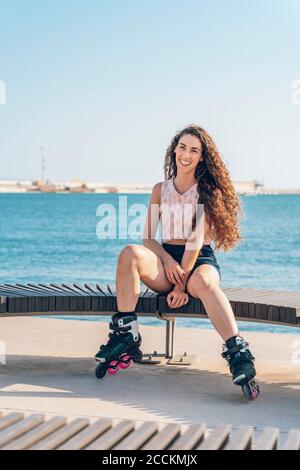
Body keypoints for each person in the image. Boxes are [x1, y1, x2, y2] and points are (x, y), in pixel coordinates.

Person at [94, 124, 259, 400]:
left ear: (201, 157)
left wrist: (180, 287)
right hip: (166, 259)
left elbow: (195, 241)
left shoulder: (208, 192)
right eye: (182, 147)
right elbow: (148, 238)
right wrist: (167, 260)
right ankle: (126, 334)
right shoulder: (160, 189)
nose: (186, 154)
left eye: (194, 150)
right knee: (129, 254)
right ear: (174, 150)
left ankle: (238, 351)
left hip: (199, 259)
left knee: (205, 281)